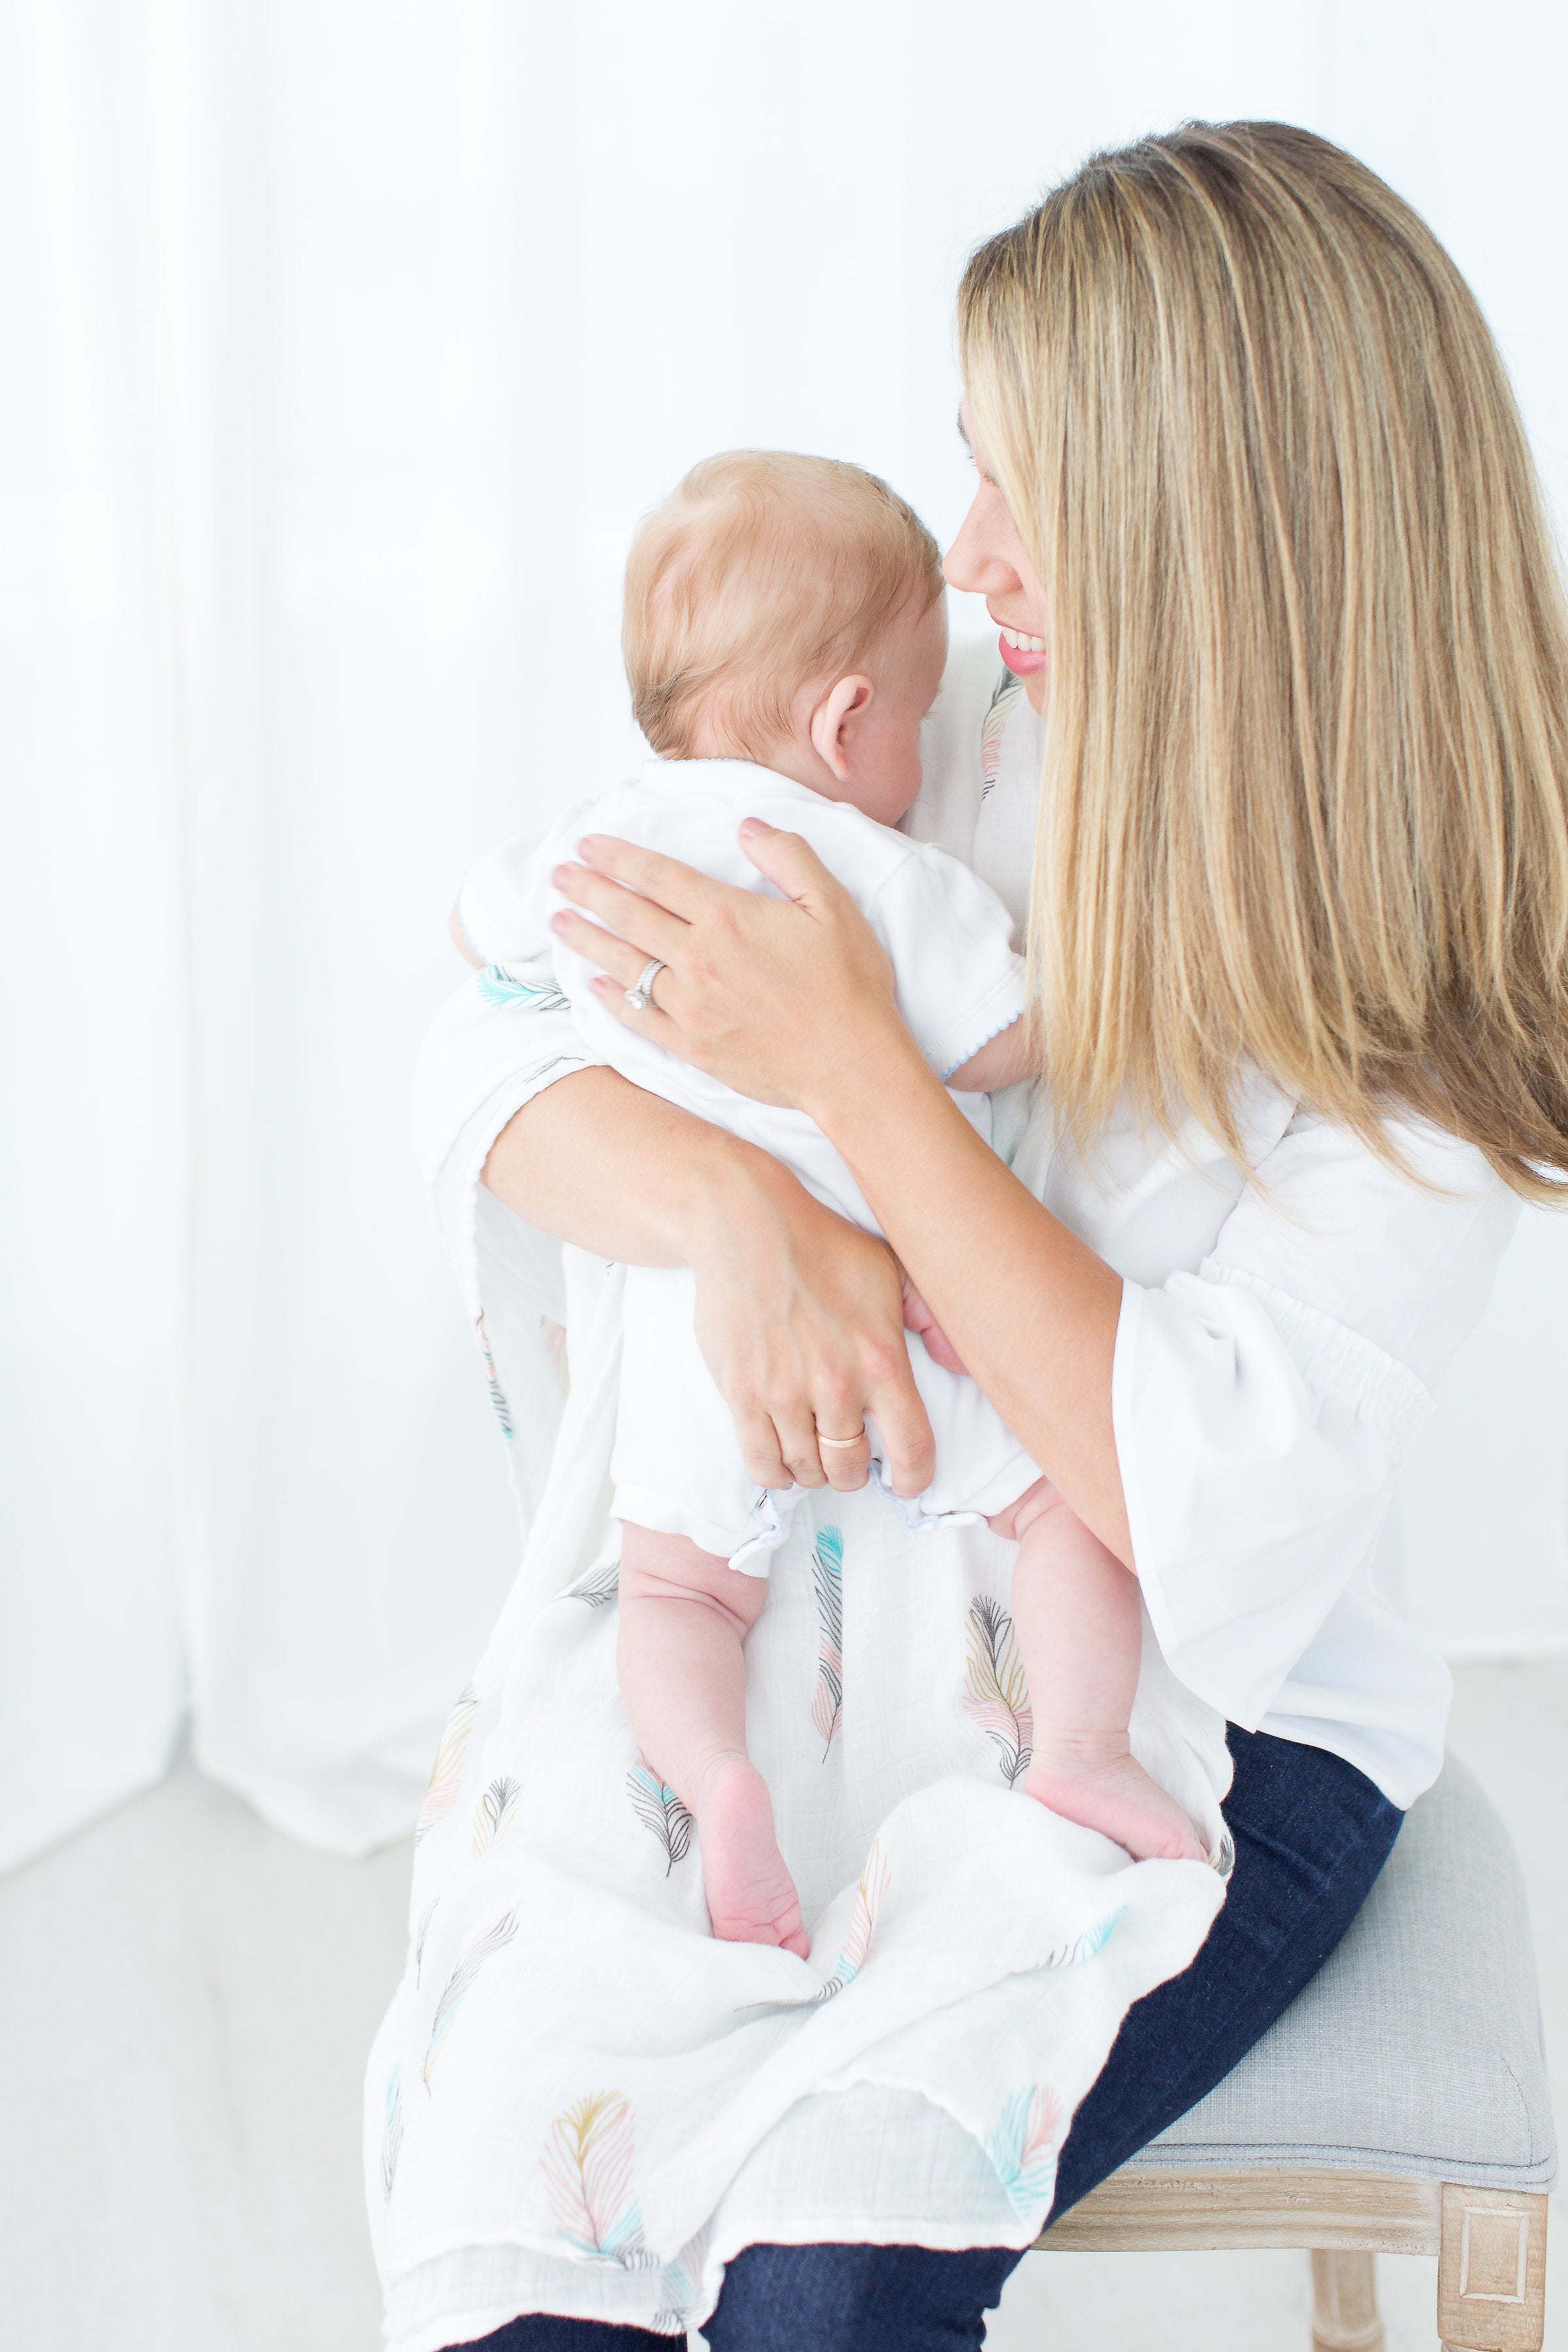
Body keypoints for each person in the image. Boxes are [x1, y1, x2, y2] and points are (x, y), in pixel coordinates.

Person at [370, 122, 1568, 2351]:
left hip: (1210, 1704)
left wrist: (853, 1088)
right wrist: (741, 1214)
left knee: (830, 2274)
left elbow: (1174, 1483)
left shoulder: (1439, 1012)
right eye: (966, 470)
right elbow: (494, 1051)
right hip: (830, 1622)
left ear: (1216, 538)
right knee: (564, 2176)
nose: (971, 548)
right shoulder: (944, 733)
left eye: (1026, 491)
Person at [451, 451, 1209, 1961]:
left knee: (676, 1592)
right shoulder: (866, 875)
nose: (928, 753)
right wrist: (1128, 997)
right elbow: (1002, 1035)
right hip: (920, 1299)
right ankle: (1081, 1752)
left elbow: (477, 946)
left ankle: (718, 1779)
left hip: (697, 1328)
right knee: (1066, 1509)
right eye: (920, 718)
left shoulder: (590, 854)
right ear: (848, 721)